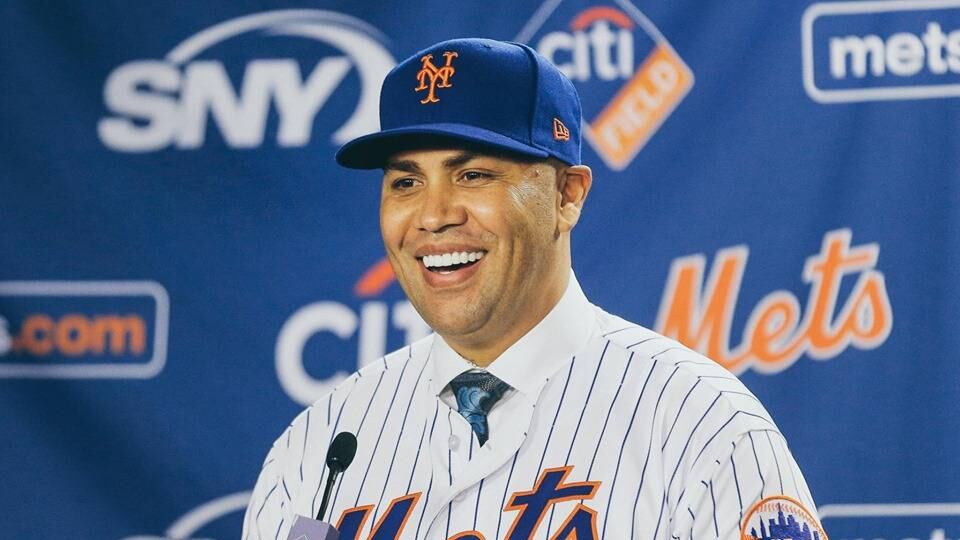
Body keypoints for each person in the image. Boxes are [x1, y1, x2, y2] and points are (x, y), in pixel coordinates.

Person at [243, 38, 825, 540]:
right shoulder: (317, 446)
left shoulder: (700, 424)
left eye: (473, 174)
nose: (433, 215)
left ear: (567, 195)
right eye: (406, 182)